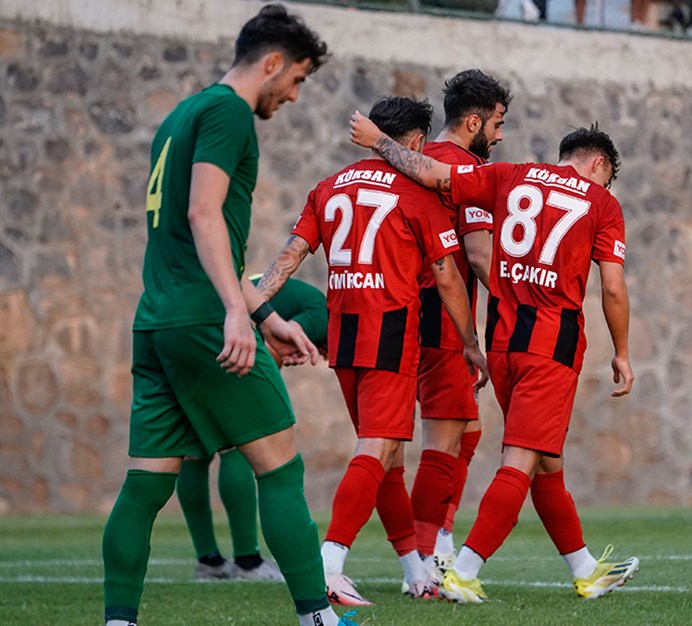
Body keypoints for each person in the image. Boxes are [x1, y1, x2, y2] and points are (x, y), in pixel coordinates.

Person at [100, 6, 353, 626]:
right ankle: (317, 617)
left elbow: (200, 243)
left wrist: (265, 314)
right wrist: (236, 318)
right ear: (271, 63)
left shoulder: (179, 116)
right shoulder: (229, 112)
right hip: (204, 321)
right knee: (281, 467)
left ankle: (118, 621)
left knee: (145, 485)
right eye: (295, 79)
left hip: (157, 321)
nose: (294, 95)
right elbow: (203, 215)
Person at [349, 115, 640, 603]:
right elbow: (612, 286)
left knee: (547, 461)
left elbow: (431, 174)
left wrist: (379, 141)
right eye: (606, 175)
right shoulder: (602, 202)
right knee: (522, 458)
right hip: (553, 347)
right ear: (598, 164)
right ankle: (463, 570)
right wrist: (624, 353)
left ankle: (586, 569)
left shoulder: (510, 176)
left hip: (503, 345)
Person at [257, 96, 489, 606]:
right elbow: (449, 278)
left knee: (386, 456)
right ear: (414, 144)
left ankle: (416, 570)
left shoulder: (327, 187)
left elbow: (291, 256)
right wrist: (471, 343)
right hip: (390, 329)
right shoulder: (416, 194)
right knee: (377, 451)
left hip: (343, 335)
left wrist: (249, 303)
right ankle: (327, 563)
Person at [408, 69, 508, 583]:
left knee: (467, 432)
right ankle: (422, 563)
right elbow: (477, 253)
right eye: (497, 123)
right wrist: (524, 301)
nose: (499, 135)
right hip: (442, 316)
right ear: (474, 121)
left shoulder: (420, 158)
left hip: (414, 312)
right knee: (442, 441)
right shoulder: (465, 170)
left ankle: (439, 539)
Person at [176, 277, 327, 582]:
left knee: (193, 450)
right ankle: (247, 562)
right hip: (217, 332)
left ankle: (208, 561)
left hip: (182, 326)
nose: (328, 360)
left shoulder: (307, 298)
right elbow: (267, 353)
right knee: (240, 442)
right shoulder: (323, 315)